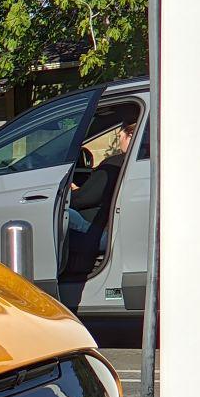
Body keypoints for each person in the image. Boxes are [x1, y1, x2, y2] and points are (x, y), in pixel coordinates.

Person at [58, 120, 135, 312]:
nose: (119, 139)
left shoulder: (113, 164)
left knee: (65, 214)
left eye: (121, 135)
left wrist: (70, 193)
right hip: (113, 232)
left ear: (130, 136)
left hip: (103, 235)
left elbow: (85, 198)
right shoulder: (130, 164)